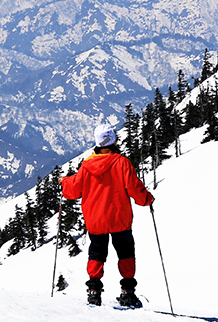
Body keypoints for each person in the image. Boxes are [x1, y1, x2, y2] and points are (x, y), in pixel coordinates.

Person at [60, 123, 155, 308]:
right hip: (120, 218)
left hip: (96, 220)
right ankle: (127, 292)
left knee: (97, 253)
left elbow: (74, 189)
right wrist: (148, 199)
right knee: (126, 253)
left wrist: (63, 183)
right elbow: (135, 189)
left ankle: (94, 291)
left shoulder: (87, 165)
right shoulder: (122, 163)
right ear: (113, 141)